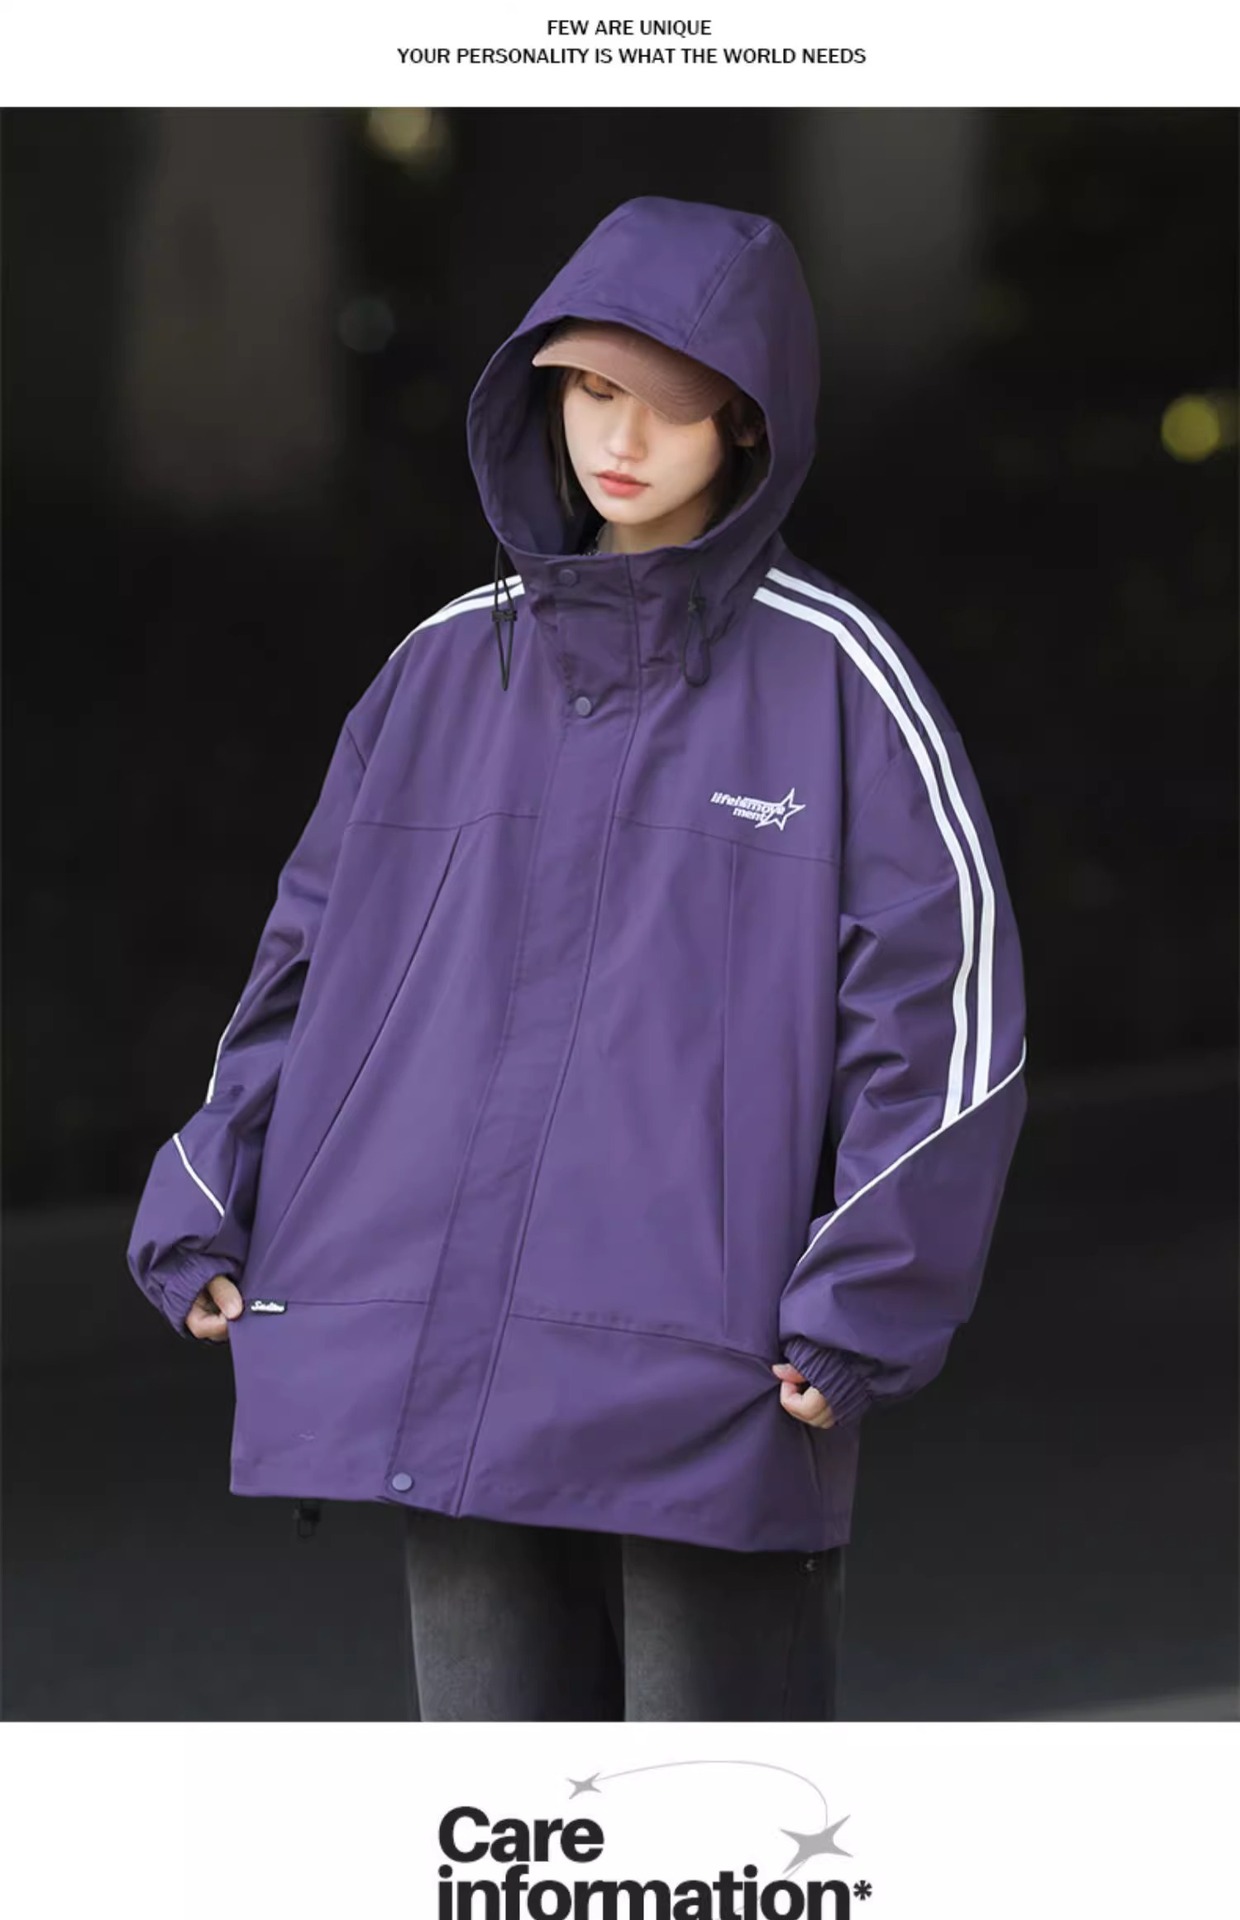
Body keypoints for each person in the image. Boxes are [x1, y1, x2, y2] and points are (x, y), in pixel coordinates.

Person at [127, 195, 1028, 1722]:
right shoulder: (441, 668)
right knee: (508, 1818)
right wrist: (207, 1192)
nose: (622, 435)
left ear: (746, 423)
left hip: (711, 1375)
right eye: (592, 389)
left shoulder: (839, 680)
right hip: (441, 1343)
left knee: (710, 1816)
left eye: (670, 399)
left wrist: (863, 1304)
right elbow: (307, 962)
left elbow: (945, 1022)